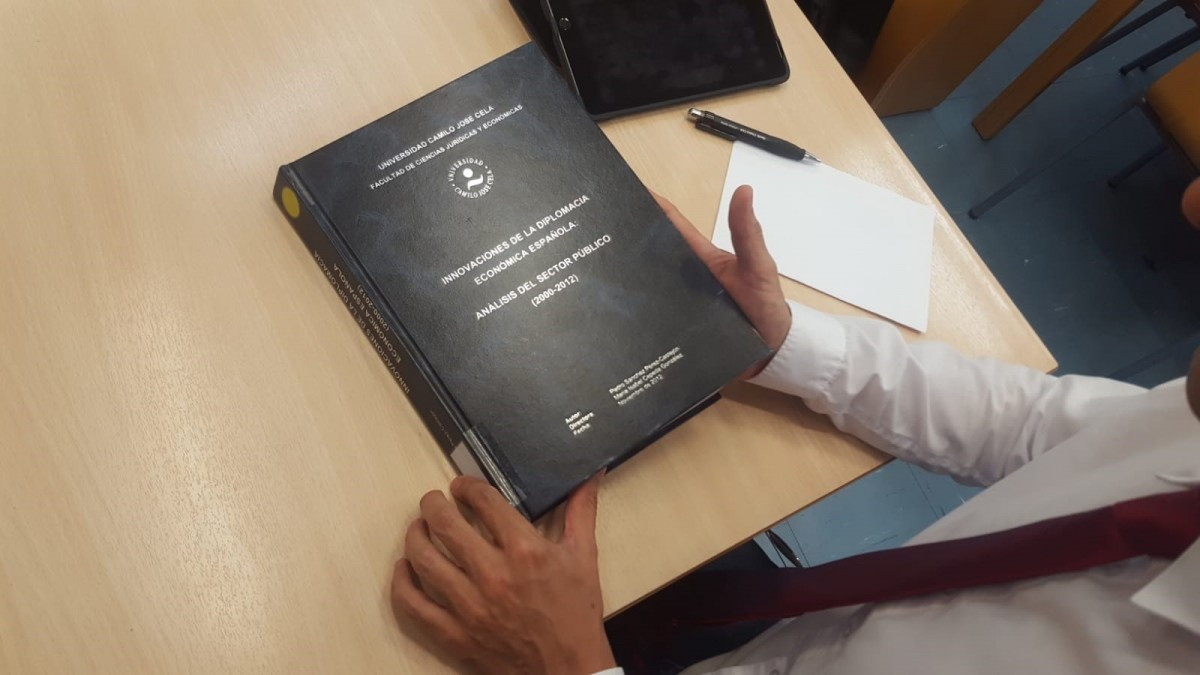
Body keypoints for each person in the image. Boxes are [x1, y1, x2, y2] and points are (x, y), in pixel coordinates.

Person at [390, 178, 1200, 674]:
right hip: (786, 631)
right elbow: (1038, 428)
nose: (1192, 201)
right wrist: (781, 342)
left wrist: (568, 666)